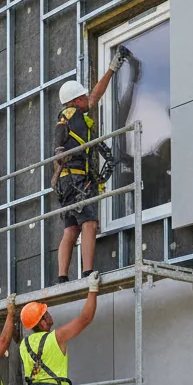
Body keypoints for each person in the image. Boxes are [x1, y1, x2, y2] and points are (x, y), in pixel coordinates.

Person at [52, 46, 130, 284]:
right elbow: (94, 97)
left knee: (70, 229)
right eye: (83, 97)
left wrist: (112, 69)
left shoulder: (72, 118)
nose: (88, 100)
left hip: (65, 181)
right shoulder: (71, 114)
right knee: (89, 223)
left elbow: (94, 96)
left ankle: (62, 277)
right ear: (76, 100)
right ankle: (87, 273)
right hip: (76, 178)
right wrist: (113, 68)